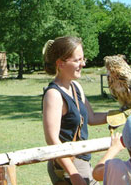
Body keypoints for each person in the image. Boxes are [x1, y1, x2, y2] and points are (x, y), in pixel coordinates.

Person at [42, 37, 108, 185]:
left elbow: (91, 118)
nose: (83, 64)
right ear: (61, 63)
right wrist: (73, 173)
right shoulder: (54, 94)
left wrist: (120, 114)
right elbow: (52, 140)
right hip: (68, 164)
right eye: (78, 60)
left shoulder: (76, 87)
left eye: (83, 59)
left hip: (83, 162)